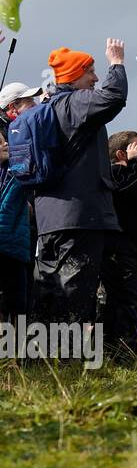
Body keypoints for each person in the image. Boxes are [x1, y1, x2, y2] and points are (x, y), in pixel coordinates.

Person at [31, 40, 129, 327]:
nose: (96, 79)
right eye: (91, 73)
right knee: (74, 292)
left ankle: (37, 363)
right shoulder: (76, 102)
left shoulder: (49, 108)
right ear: (74, 77)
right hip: (79, 217)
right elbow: (113, 97)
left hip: (50, 217)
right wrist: (117, 63)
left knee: (48, 289)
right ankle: (67, 362)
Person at [103, 131, 137, 358]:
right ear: (121, 153)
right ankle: (122, 353)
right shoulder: (115, 172)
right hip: (120, 248)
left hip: (135, 248)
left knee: (134, 295)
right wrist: (135, 163)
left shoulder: (133, 173)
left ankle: (117, 350)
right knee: (128, 300)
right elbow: (122, 191)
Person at [0, 82, 41, 318]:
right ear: (12, 108)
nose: (35, 106)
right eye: (29, 102)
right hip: (8, 243)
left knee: (20, 304)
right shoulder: (15, 154)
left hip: (20, 243)